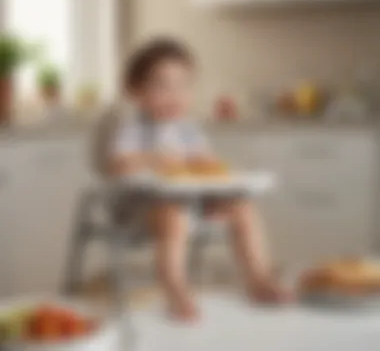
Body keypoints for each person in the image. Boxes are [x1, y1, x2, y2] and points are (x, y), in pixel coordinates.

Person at [106, 38, 292, 322]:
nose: (175, 95)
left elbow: (205, 162)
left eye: (183, 85)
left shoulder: (188, 129)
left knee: (243, 207)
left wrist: (212, 168)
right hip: (142, 207)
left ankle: (258, 278)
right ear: (136, 91)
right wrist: (153, 158)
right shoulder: (132, 126)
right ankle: (175, 286)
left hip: (191, 201)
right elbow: (118, 165)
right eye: (162, 86)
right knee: (173, 214)